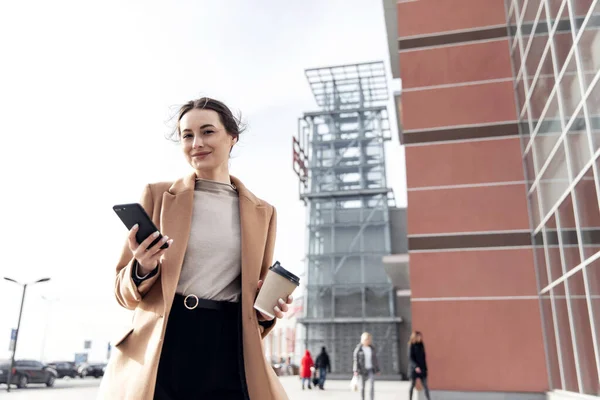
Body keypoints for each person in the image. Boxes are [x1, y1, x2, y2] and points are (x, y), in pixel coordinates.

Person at [98, 98, 292, 400]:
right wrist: (143, 268)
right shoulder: (158, 195)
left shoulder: (263, 212)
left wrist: (269, 312)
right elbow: (121, 293)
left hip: (229, 345)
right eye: (187, 135)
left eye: (207, 132)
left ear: (232, 138)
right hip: (164, 343)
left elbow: (255, 301)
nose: (196, 142)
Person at [353, 332, 380, 400]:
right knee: (362, 387)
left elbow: (375, 360)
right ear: (363, 340)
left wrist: (377, 369)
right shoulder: (358, 349)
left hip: (370, 369)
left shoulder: (372, 348)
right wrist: (355, 370)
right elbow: (355, 360)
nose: (368, 341)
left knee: (372, 385)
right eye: (366, 339)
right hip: (362, 370)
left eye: (369, 339)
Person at [408, 331, 431, 400]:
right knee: (412, 385)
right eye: (419, 336)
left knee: (425, 385)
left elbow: (423, 357)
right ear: (415, 337)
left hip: (422, 368)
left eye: (421, 336)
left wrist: (425, 368)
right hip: (414, 369)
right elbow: (410, 358)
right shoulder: (411, 345)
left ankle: (428, 398)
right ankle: (410, 398)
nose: (420, 338)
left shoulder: (421, 344)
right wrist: (415, 367)